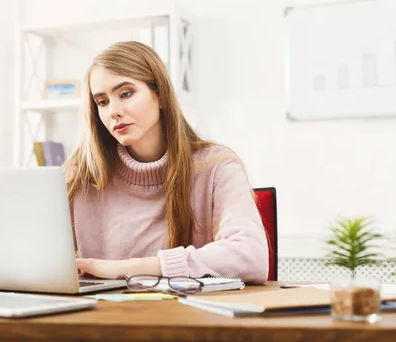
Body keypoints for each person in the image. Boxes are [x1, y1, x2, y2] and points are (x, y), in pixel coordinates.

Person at [63, 41, 268, 284]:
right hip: (100, 318)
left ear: (160, 94)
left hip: (186, 318)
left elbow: (251, 256)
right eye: (102, 102)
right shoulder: (81, 174)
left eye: (126, 93)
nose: (113, 111)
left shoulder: (216, 167)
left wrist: (131, 268)